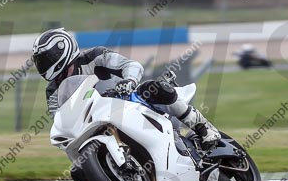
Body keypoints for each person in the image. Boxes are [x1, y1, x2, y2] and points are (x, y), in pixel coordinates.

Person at [32, 28, 221, 147]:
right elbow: (61, 121)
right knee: (79, 175)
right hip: (96, 126)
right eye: (40, 61)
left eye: (45, 59)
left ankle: (203, 127)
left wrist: (129, 81)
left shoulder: (94, 57)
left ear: (61, 51)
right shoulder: (53, 91)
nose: (42, 65)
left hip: (128, 102)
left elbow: (131, 65)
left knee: (154, 88)